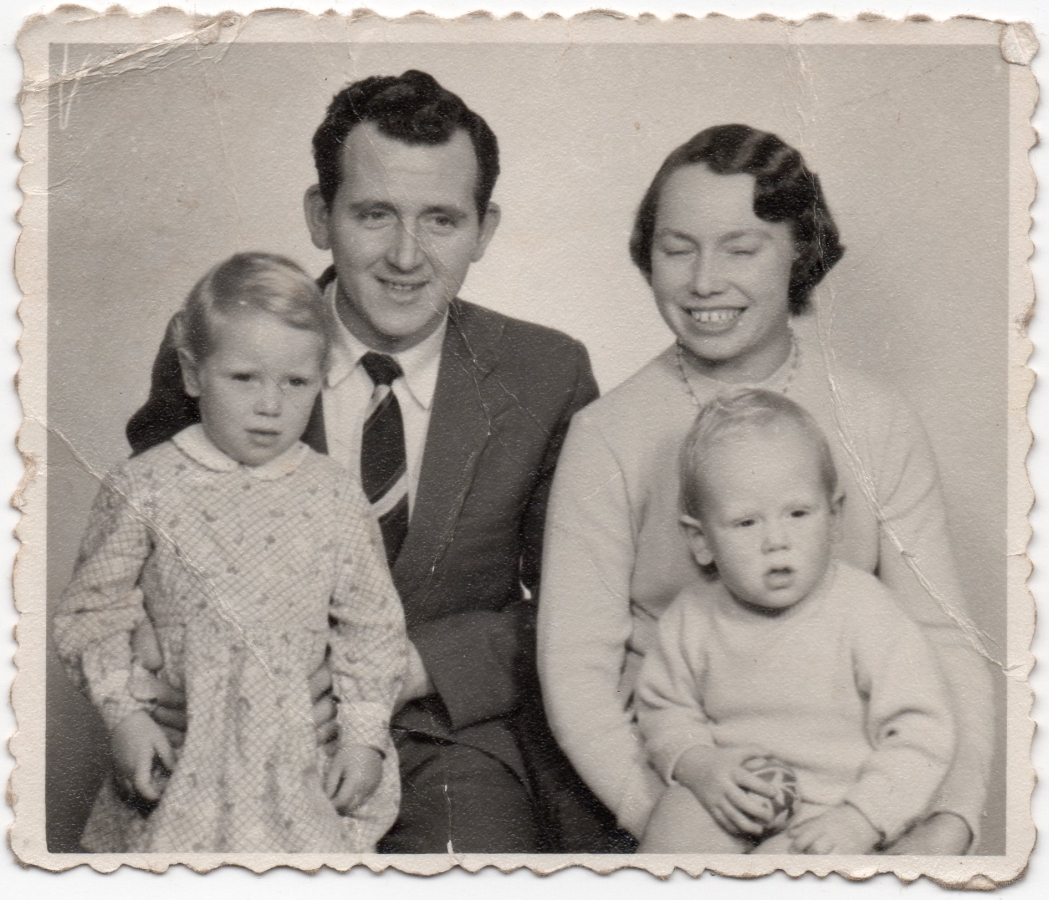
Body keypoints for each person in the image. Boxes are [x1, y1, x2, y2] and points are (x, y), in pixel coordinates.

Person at [123, 71, 610, 853]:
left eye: (441, 221)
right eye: (374, 214)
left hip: (445, 734)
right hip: (244, 731)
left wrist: (409, 667)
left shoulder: (544, 374)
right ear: (321, 216)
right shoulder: (224, 346)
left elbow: (578, 611)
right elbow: (148, 559)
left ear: (484, 229)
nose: (406, 257)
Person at [538, 124, 994, 854]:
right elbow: (576, 669)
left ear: (799, 254)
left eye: (740, 248)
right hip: (685, 788)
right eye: (676, 247)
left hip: (860, 793)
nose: (702, 281)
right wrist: (661, 815)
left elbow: (939, 637)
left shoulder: (874, 420)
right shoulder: (606, 434)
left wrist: (948, 820)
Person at [53, 253, 406, 852]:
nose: (271, 404)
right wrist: (127, 716)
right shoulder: (145, 485)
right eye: (244, 378)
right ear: (193, 374)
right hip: (184, 755)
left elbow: (372, 627)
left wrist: (363, 737)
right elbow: (93, 615)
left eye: (296, 382)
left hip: (298, 768)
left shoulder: (335, 495)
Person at [635, 388, 956, 854]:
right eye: (746, 523)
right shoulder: (692, 616)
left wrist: (862, 819)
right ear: (701, 540)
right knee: (674, 829)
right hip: (728, 794)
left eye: (798, 513)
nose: (777, 541)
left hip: (836, 811)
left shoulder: (866, 611)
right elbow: (665, 709)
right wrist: (698, 765)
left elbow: (922, 732)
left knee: (784, 871)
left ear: (834, 517)